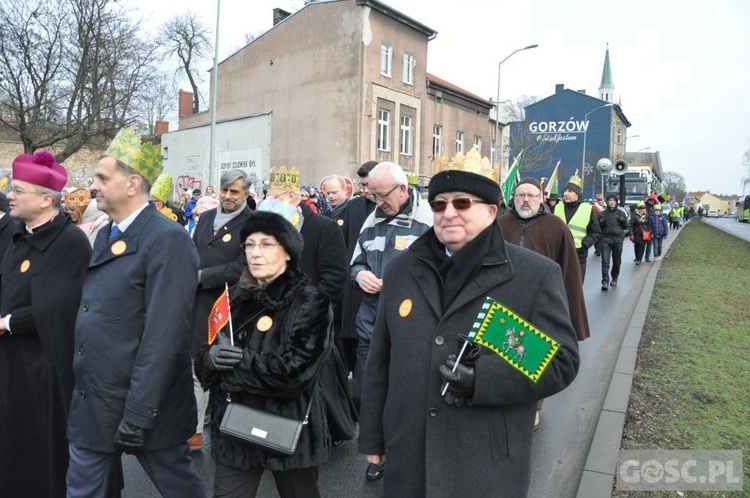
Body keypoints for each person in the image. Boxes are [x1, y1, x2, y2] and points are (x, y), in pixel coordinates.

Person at [358, 153, 580, 497]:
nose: (449, 213)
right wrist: (372, 434)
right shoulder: (402, 269)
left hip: (484, 460)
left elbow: (561, 361)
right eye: (439, 204)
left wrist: (482, 380)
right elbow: (380, 359)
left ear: (491, 211)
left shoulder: (533, 275)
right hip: (409, 451)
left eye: (462, 203)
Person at [66, 127, 205, 497]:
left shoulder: (168, 239)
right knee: (82, 488)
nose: (92, 187)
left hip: (144, 401)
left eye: (101, 178)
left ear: (131, 185)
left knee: (178, 486)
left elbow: (165, 335)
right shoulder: (107, 233)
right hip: (95, 396)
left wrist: (141, 411)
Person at [195, 211, 333, 498]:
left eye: (266, 244)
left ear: (288, 253)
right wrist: (209, 360)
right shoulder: (232, 296)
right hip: (234, 428)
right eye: (248, 244)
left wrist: (237, 363)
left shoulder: (310, 299)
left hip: (290, 428)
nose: (255, 253)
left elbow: (296, 373)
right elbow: (206, 358)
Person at [0, 151, 91, 498]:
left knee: (40, 450)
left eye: (18, 189)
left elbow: (58, 307)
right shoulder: (19, 237)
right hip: (11, 363)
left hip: (44, 368)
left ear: (45, 199)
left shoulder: (69, 243)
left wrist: (7, 322)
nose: (9, 194)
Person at [259, 166, 354, 446]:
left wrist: (308, 309)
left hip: (310, 319)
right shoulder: (267, 230)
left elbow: (335, 277)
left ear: (292, 197)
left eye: (273, 196)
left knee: (316, 383)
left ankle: (322, 434)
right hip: (271, 319)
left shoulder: (323, 227)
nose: (268, 201)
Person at [350, 160, 433, 481]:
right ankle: (377, 447)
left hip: (409, 330)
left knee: (403, 396)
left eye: (382, 195)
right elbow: (354, 261)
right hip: (371, 324)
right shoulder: (371, 221)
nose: (377, 202)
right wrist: (360, 276)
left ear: (402, 189)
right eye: (372, 195)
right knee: (364, 393)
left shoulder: (428, 222)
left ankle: (391, 455)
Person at [498, 177, 590, 429]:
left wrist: (568, 308)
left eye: (531, 195)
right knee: (504, 354)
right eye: (520, 195)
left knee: (534, 357)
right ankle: (504, 401)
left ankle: (533, 407)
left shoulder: (556, 226)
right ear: (513, 199)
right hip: (505, 302)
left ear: (541, 198)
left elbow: (569, 271)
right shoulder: (500, 224)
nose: (525, 200)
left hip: (540, 306)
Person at [191, 169, 255, 451]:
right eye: (224, 190)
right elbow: (193, 252)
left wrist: (203, 276)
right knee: (194, 365)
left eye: (234, 192)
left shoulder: (252, 222)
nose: (228, 197)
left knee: (228, 367)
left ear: (246, 194)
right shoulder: (205, 218)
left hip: (231, 306)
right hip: (197, 303)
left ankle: (234, 431)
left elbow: (243, 266)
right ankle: (193, 432)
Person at [340, 161, 378, 372]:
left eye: (366, 185)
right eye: (361, 185)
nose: (363, 190)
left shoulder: (390, 208)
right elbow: (345, 244)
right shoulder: (353, 206)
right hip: (354, 283)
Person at [554, 174, 601, 282]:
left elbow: (595, 232)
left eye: (570, 191)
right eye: (565, 191)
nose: (566, 194)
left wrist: (584, 245)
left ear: (577, 194)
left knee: (576, 285)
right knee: (559, 285)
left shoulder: (587, 209)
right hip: (559, 252)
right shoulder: (557, 207)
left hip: (578, 254)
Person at [597, 192, 630, 290]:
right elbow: (598, 228)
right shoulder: (602, 214)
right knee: (605, 261)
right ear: (607, 202)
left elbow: (626, 227)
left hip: (618, 239)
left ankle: (614, 277)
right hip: (605, 239)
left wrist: (623, 220)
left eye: (614, 201)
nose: (612, 202)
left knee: (617, 261)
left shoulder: (621, 213)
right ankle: (605, 281)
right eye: (610, 200)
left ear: (616, 202)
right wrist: (602, 222)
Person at [629, 201, 649, 265]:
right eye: (641, 208)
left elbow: (649, 224)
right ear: (638, 209)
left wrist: (648, 229)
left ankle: (639, 259)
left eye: (643, 208)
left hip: (644, 234)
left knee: (642, 247)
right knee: (637, 246)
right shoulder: (634, 216)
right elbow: (630, 225)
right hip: (636, 234)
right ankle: (637, 257)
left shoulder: (646, 216)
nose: (643, 210)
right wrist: (631, 234)